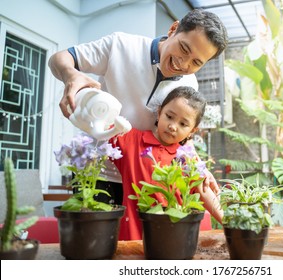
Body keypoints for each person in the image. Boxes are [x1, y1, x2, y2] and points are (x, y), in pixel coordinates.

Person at [48, 8, 228, 204]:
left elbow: (181, 136)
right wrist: (70, 74)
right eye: (184, 49)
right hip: (97, 173)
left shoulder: (189, 84)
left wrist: (198, 166)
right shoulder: (121, 46)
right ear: (174, 29)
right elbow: (59, 58)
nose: (183, 63)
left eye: (196, 62)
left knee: (138, 236)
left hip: (145, 180)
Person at [110, 86, 223, 240]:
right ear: (159, 112)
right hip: (134, 236)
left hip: (174, 236)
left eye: (183, 124)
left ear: (192, 131)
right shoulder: (132, 140)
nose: (173, 126)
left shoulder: (187, 158)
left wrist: (227, 221)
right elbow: (103, 126)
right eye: (169, 116)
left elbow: (204, 191)